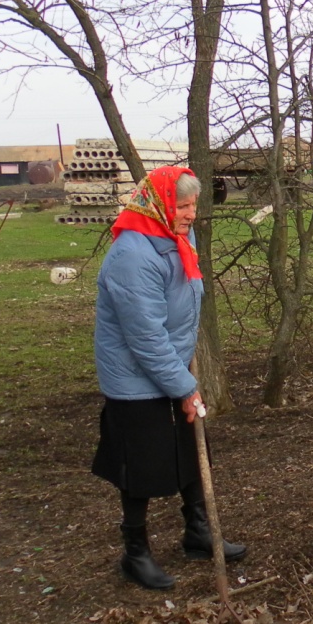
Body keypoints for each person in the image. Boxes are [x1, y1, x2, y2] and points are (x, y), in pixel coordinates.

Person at [90, 165, 246, 590]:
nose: (190, 213)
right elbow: (146, 338)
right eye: (181, 205)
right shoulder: (132, 257)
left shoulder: (176, 238)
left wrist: (184, 376)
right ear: (157, 204)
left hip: (173, 365)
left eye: (193, 204)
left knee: (191, 447)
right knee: (140, 467)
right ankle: (134, 553)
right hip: (136, 379)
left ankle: (198, 531)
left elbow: (182, 305)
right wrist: (185, 387)